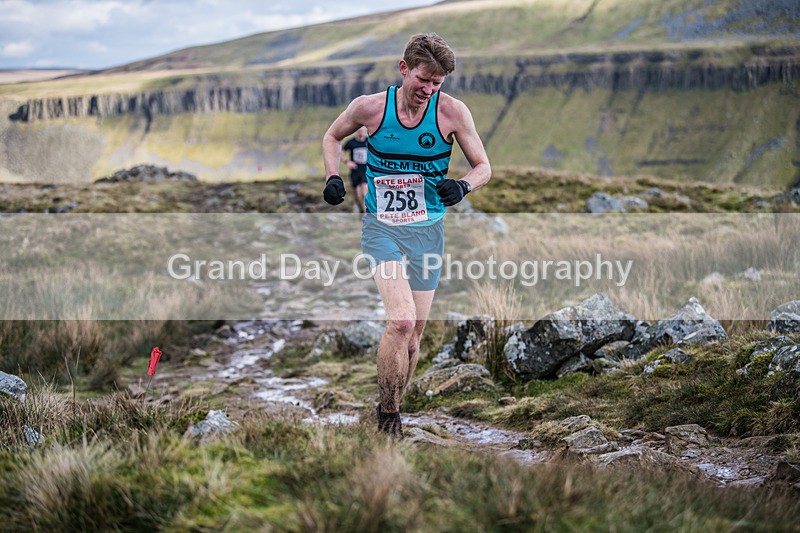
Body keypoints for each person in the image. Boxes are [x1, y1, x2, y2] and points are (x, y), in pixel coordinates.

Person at [321, 33, 491, 438]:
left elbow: (483, 165)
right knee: (400, 322)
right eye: (423, 79)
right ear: (404, 69)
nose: (428, 90)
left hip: (428, 233)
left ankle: (391, 401)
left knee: (414, 336)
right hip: (383, 229)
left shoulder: (451, 112)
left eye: (437, 83)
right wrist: (331, 178)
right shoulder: (370, 108)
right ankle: (388, 421)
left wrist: (464, 186)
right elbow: (332, 136)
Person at [342, 126, 369, 213]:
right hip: (355, 171)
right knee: (357, 196)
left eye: (362, 131)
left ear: (365, 132)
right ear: (356, 132)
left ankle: (366, 214)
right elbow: (341, 153)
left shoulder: (369, 141)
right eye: (359, 131)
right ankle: (361, 209)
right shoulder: (351, 142)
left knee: (364, 193)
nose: (361, 133)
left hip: (365, 170)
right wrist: (347, 162)